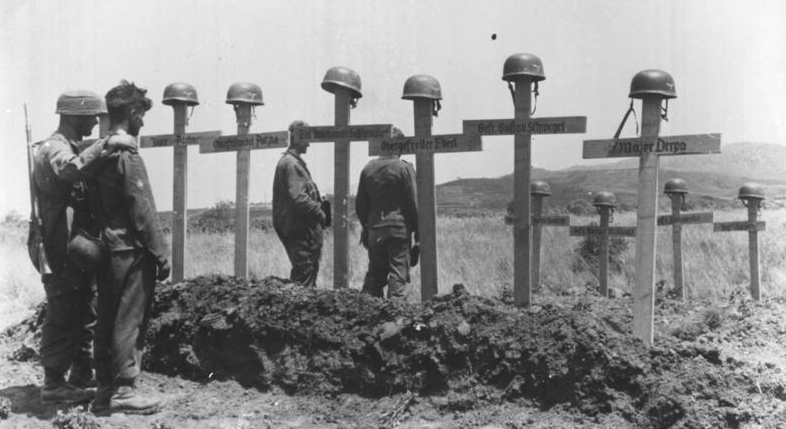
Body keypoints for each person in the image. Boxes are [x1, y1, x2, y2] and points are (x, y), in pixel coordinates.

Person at [32, 90, 135, 405]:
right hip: (58, 249)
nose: (96, 121)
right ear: (76, 115)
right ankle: (52, 383)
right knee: (64, 313)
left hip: (74, 249)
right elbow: (69, 170)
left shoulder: (73, 148)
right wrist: (106, 144)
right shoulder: (53, 149)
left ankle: (78, 379)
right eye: (92, 115)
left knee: (83, 312)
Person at [90, 80, 169, 415]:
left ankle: (104, 391)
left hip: (105, 247)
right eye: (141, 114)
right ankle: (124, 391)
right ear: (133, 112)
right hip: (130, 250)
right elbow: (142, 209)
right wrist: (161, 252)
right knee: (129, 320)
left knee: (107, 318)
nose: (143, 122)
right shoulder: (128, 155)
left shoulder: (99, 153)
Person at [355, 127, 418, 299]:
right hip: (399, 230)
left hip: (375, 231)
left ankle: (367, 313)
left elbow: (360, 205)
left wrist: (367, 227)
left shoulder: (368, 169)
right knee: (398, 275)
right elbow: (414, 203)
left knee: (375, 274)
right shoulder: (404, 168)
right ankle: (394, 316)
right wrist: (419, 233)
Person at [272, 120, 328, 287]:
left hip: (300, 229)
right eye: (305, 138)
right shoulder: (291, 164)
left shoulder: (292, 162)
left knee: (305, 274)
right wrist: (320, 213)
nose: (309, 144)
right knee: (304, 276)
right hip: (300, 231)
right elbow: (299, 198)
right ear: (296, 138)